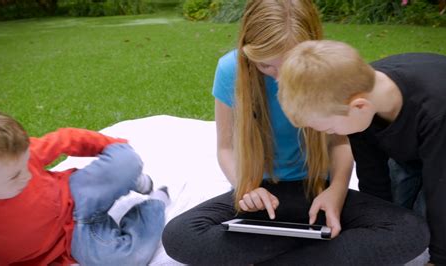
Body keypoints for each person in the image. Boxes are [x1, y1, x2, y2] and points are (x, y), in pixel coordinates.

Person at [162, 1, 429, 265]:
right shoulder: (230, 70)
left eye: (288, 63)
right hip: (262, 196)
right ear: (248, 51)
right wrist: (246, 188)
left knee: (410, 231)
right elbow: (226, 147)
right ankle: (320, 247)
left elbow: (340, 142)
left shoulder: (326, 71)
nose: (279, 77)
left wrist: (336, 193)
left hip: (317, 191)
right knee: (180, 235)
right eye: (266, 66)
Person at [277, 40, 446, 265]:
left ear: (359, 107)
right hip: (412, 149)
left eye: (329, 129)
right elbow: (372, 176)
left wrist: (443, 259)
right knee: (403, 225)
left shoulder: (439, 111)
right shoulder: (354, 98)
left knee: (428, 225)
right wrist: (376, 228)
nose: (330, 134)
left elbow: (444, 189)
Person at [0, 109, 170, 265]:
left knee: (126, 160)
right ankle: (155, 205)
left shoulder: (13, 156)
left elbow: (65, 139)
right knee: (127, 260)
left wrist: (113, 144)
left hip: (77, 194)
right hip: (75, 241)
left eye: (26, 164)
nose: (27, 175)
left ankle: (131, 180)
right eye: (15, 176)